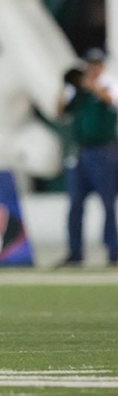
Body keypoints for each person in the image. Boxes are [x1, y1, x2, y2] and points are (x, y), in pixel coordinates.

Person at [57, 46, 118, 267]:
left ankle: (113, 253)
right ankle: (75, 254)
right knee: (75, 204)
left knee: (108, 204)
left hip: (104, 151)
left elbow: (111, 100)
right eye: (89, 65)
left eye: (96, 64)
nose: (92, 69)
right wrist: (66, 87)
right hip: (81, 151)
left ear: (102, 66)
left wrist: (90, 86)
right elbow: (61, 113)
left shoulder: (109, 83)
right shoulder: (78, 90)